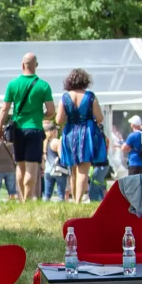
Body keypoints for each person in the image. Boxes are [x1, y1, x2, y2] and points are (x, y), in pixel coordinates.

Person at [0, 53, 52, 201]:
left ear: (22, 65)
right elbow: (51, 111)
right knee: (32, 166)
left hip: (18, 130)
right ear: (36, 65)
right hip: (35, 129)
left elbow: (4, 109)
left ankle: (21, 198)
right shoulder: (43, 85)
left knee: (20, 165)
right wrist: (40, 116)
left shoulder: (12, 84)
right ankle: (27, 200)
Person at [54, 70, 108, 202]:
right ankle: (78, 201)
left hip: (70, 133)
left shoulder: (65, 97)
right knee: (83, 170)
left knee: (73, 170)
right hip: (86, 134)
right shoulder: (90, 96)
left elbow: (59, 120)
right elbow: (100, 118)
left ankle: (74, 200)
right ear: (85, 81)